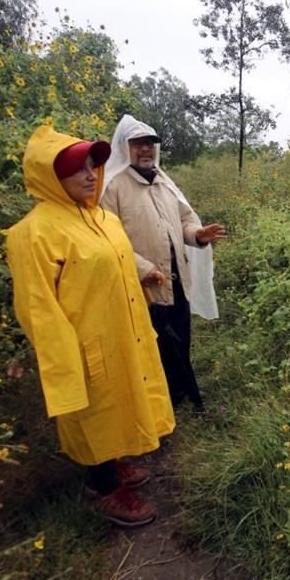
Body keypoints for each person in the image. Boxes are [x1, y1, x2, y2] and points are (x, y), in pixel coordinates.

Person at [6, 125, 174, 528]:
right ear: (48, 176)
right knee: (95, 416)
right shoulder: (34, 233)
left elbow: (119, 269)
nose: (88, 175)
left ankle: (115, 465)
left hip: (122, 331)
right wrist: (65, 361)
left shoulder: (100, 217)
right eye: (75, 169)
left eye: (91, 165)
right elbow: (37, 307)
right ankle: (102, 490)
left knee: (119, 405)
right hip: (83, 346)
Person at [101, 114, 225, 411]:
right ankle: (159, 403)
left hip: (175, 277)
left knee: (180, 337)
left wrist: (198, 234)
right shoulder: (113, 188)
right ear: (123, 148)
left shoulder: (163, 183)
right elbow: (107, 239)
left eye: (150, 144)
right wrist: (143, 269)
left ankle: (180, 393)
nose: (145, 149)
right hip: (141, 285)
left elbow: (184, 220)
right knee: (152, 344)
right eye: (138, 144)